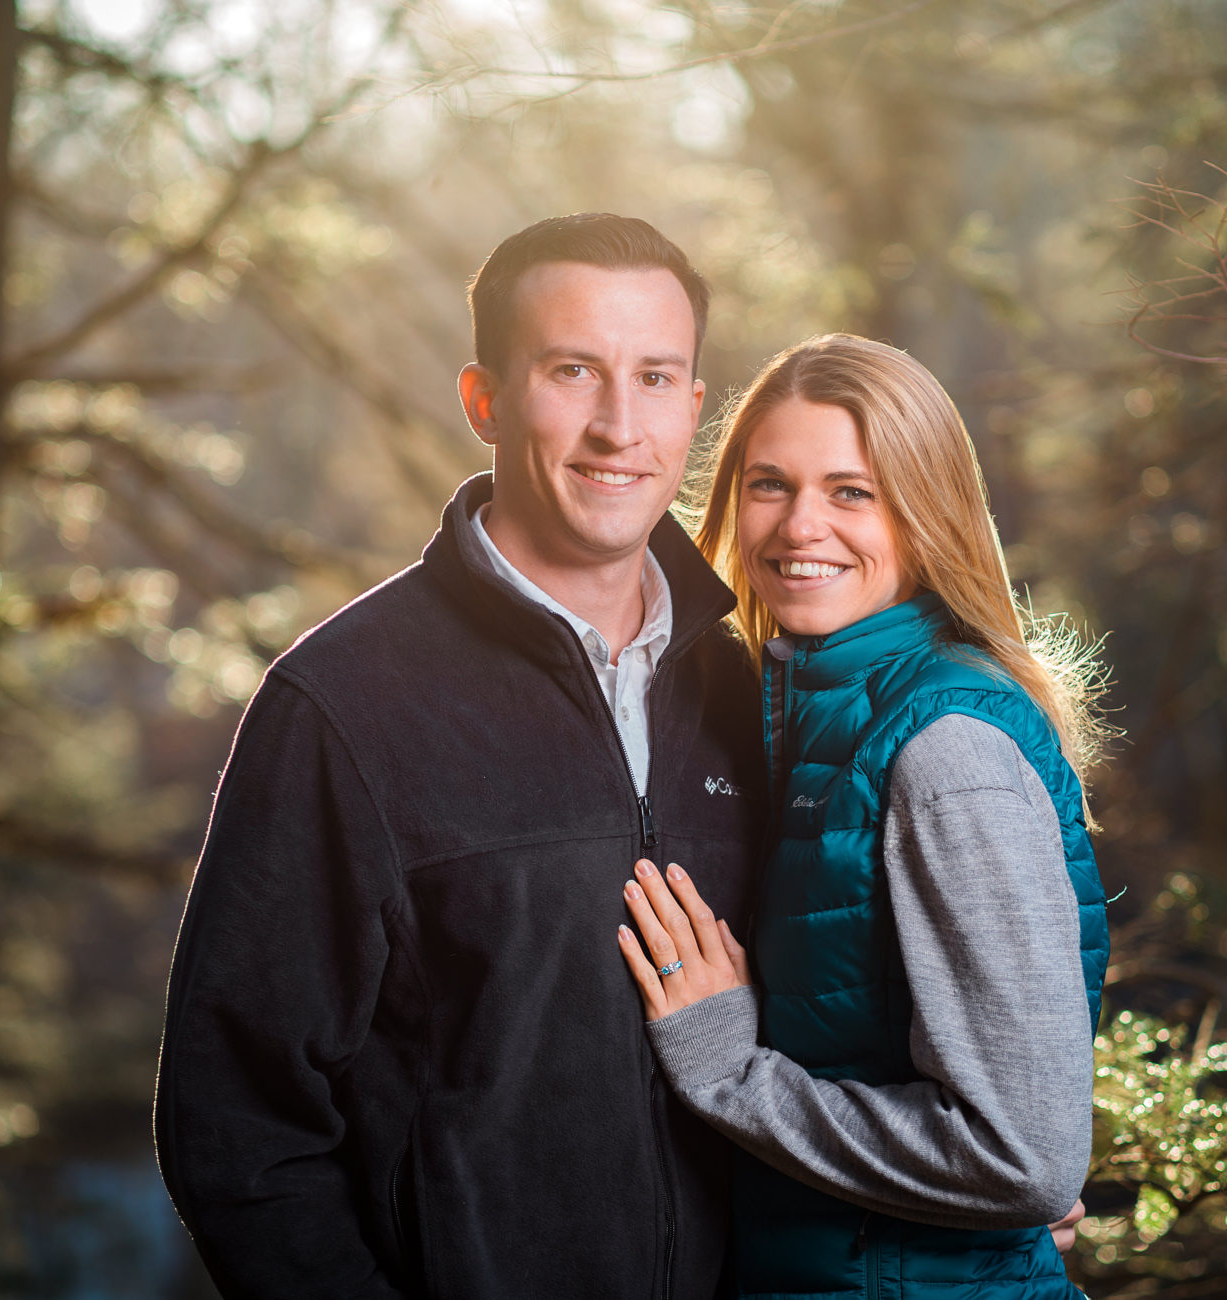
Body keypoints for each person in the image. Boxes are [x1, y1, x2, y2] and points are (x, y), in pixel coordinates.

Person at [154, 213, 767, 1298]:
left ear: (693, 407)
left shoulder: (749, 687)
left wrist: (961, 1197)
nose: (620, 425)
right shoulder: (343, 704)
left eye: (656, 377)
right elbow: (237, 1125)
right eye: (573, 370)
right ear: (483, 399)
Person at [613, 334, 1109, 1299]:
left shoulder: (944, 750)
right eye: (770, 485)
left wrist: (730, 1074)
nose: (801, 526)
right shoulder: (806, 710)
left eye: (853, 492)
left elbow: (1027, 1160)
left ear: (926, 513)